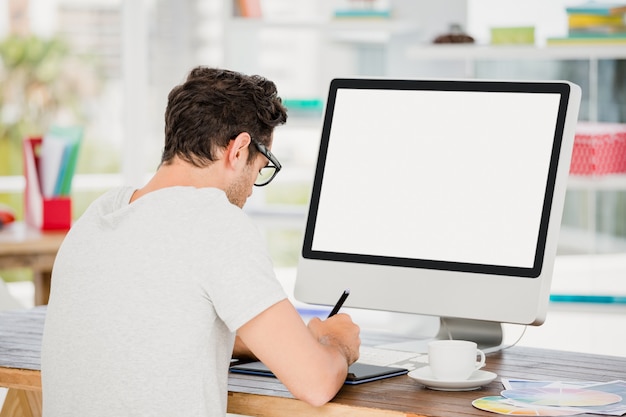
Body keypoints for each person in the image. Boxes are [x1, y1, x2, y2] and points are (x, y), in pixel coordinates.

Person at [41, 67, 361, 417]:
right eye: (262, 166)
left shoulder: (98, 216)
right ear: (238, 149)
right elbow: (315, 383)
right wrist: (337, 343)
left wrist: (280, 342)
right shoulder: (214, 221)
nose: (253, 186)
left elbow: (155, 327)